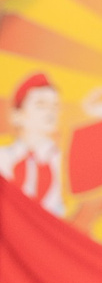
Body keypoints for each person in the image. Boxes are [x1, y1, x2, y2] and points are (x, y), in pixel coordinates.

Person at [0, 72, 64, 215]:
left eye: (55, 105)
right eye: (41, 105)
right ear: (16, 116)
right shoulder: (2, 159)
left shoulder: (63, 162)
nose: (50, 111)